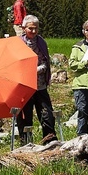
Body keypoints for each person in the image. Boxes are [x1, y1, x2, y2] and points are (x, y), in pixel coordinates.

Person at [16, 15, 56, 144]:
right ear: (24, 28)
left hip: (40, 86)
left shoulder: (41, 42)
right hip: (24, 87)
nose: (33, 31)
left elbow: (45, 62)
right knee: (25, 116)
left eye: (36, 28)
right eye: (30, 28)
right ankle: (26, 143)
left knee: (46, 114)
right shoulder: (18, 43)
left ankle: (49, 140)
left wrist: (36, 70)